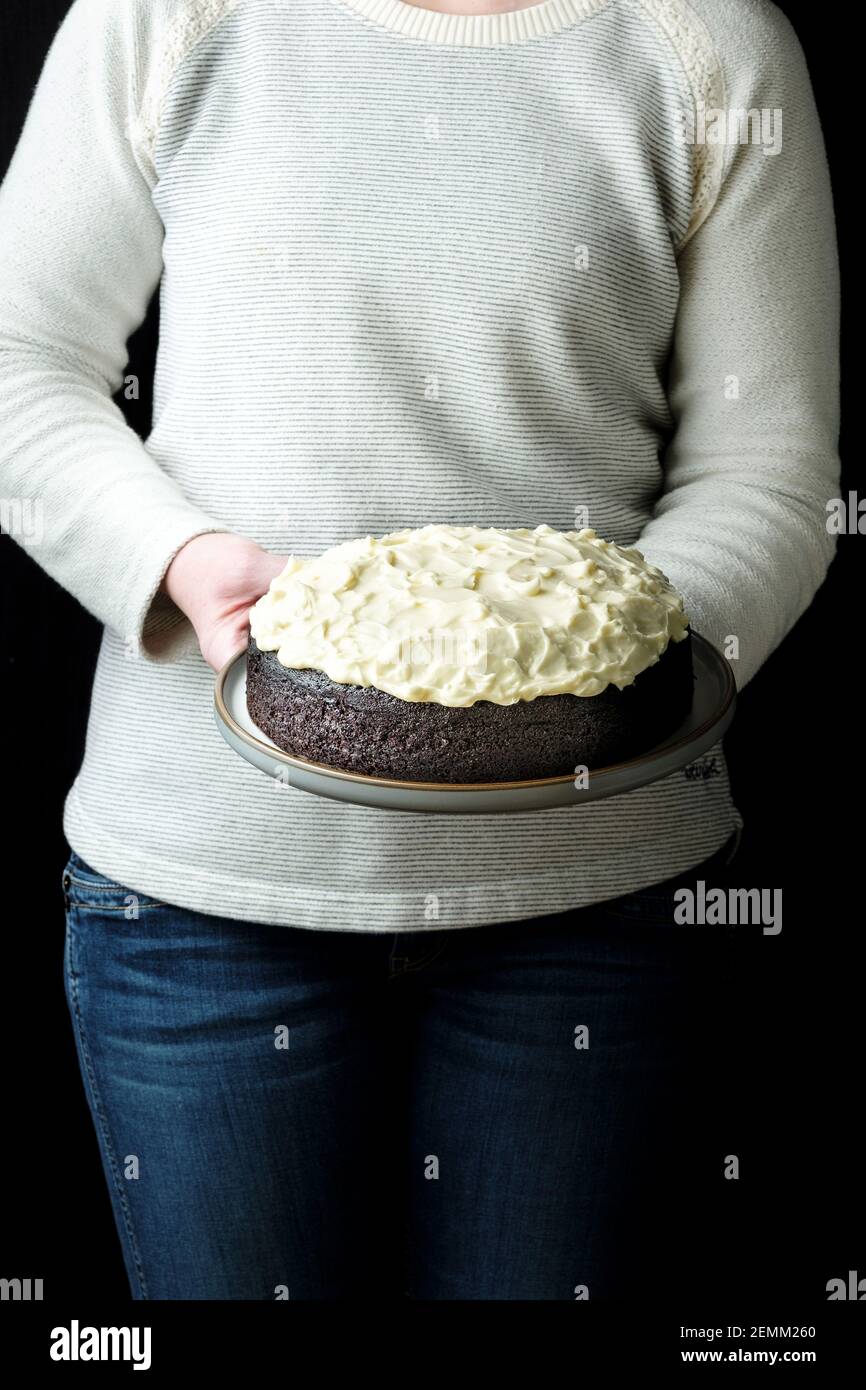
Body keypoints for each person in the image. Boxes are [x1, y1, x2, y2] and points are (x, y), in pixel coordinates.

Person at [0, 0, 839, 1299]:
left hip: (592, 902)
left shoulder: (710, 42)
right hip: (202, 902)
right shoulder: (163, 14)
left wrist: (585, 659)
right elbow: (21, 359)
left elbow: (767, 471)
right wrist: (175, 558)